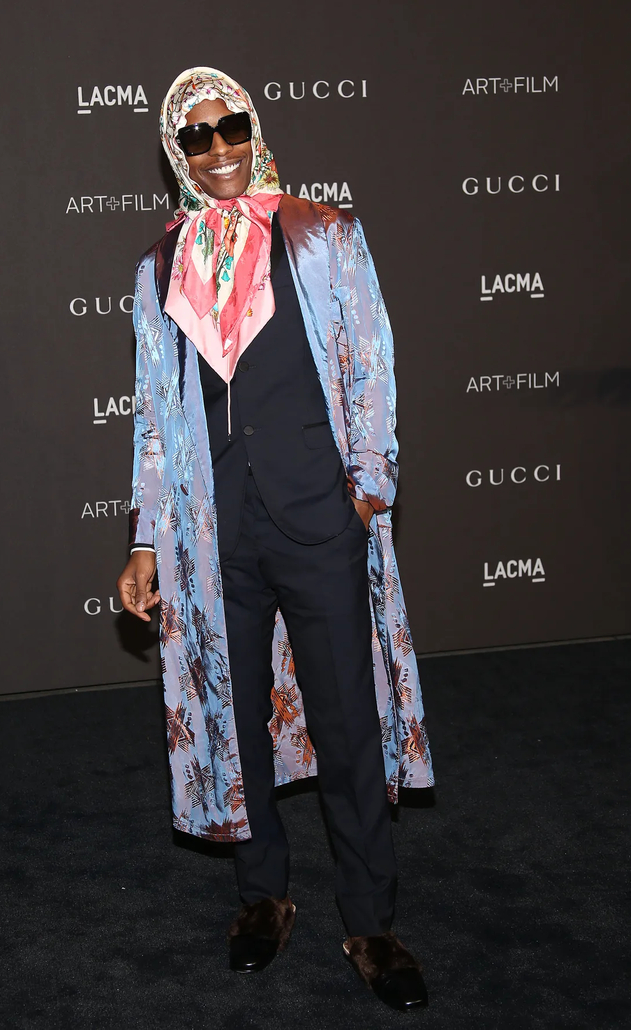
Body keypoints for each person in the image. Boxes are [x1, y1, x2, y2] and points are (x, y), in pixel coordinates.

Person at [116, 67, 434, 1012]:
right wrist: (147, 539)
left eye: (232, 128)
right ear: (177, 152)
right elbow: (152, 416)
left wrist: (366, 494)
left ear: (255, 131)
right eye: (197, 136)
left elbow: (370, 362)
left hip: (318, 518)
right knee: (234, 714)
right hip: (212, 531)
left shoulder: (321, 233)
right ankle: (263, 896)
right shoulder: (158, 267)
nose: (218, 149)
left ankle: (371, 923)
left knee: (347, 725)